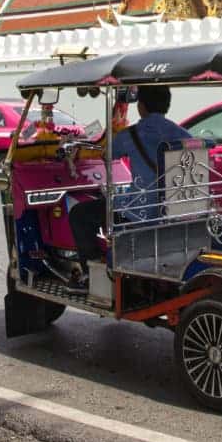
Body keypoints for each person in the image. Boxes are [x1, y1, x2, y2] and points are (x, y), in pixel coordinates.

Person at [67, 85, 190, 293]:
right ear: (167, 105)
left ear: (141, 106)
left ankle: (90, 274)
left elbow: (107, 154)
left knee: (79, 214)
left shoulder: (131, 135)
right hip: (175, 211)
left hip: (140, 213)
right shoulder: (184, 134)